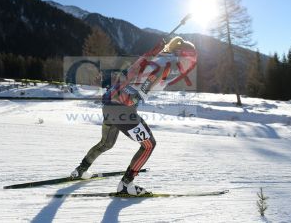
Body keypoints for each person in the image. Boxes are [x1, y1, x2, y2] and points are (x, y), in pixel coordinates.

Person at [71, 36, 197, 196]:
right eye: (190, 60)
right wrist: (134, 97)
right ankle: (126, 184)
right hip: (122, 109)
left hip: (110, 106)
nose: (189, 65)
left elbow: (137, 66)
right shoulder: (167, 65)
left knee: (106, 143)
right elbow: (148, 82)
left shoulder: (158, 58)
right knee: (149, 145)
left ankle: (80, 170)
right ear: (182, 55)